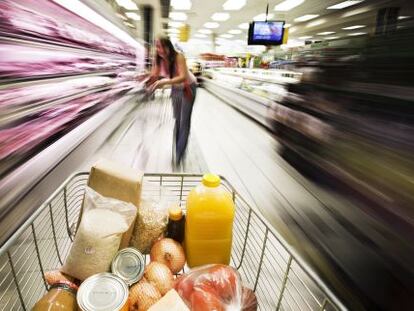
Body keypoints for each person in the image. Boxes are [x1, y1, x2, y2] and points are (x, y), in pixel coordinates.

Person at [148, 36, 197, 165]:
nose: (159, 50)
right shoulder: (158, 59)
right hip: (176, 88)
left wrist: (164, 82)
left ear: (168, 46)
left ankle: (179, 154)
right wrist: (146, 79)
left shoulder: (179, 57)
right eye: (157, 47)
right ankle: (177, 150)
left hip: (188, 87)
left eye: (162, 46)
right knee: (177, 120)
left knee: (184, 121)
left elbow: (183, 77)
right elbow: (154, 75)